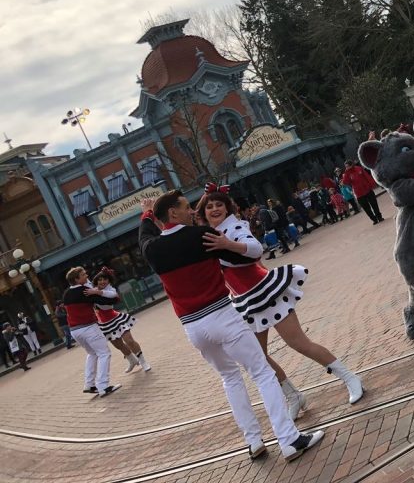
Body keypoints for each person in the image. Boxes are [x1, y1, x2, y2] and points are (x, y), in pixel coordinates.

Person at [140, 190, 323, 461]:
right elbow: (250, 256)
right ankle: (289, 440)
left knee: (230, 378)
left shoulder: (152, 249)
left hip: (193, 327)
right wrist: (230, 245)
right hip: (222, 315)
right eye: (185, 207)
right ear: (173, 213)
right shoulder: (202, 236)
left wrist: (146, 213)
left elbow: (144, 235)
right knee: (261, 372)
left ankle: (254, 441)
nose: (193, 211)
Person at [196, 187, 362, 419]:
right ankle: (293, 396)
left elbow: (255, 250)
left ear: (227, 207)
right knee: (257, 358)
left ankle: (350, 378)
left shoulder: (234, 227)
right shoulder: (208, 236)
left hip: (265, 292)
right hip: (244, 302)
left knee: (299, 343)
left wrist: (228, 245)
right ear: (203, 212)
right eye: (209, 206)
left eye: (219, 204)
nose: (214, 209)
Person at [63, 266, 119, 395]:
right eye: (83, 275)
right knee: (104, 353)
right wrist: (101, 292)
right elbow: (110, 299)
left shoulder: (66, 293)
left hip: (75, 331)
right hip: (88, 328)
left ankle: (89, 385)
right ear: (77, 279)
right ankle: (103, 386)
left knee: (92, 354)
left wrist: (95, 291)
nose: (86, 276)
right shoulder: (85, 291)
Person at [92, 268, 151, 373]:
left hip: (116, 319)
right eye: (99, 279)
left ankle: (143, 361)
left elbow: (112, 295)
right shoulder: (93, 290)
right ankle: (132, 360)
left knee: (129, 341)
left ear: (109, 280)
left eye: (105, 279)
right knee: (118, 345)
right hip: (104, 323)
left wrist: (98, 292)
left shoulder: (110, 290)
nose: (102, 281)